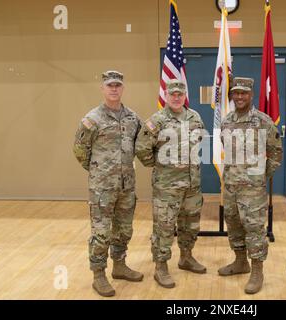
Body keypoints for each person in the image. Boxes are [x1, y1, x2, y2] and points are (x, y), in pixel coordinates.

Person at [73, 70, 143, 297]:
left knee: (123, 229)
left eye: (118, 85)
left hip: (127, 186)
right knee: (101, 232)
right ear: (102, 88)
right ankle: (99, 274)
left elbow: (140, 145)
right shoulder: (92, 119)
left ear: (123, 89)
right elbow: (80, 151)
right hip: (102, 188)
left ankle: (120, 265)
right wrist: (98, 172)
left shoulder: (133, 118)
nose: (114, 89)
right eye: (110, 85)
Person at [135, 79, 206, 289]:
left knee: (190, 224)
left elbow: (199, 142)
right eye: (172, 94)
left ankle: (186, 257)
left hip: (192, 185)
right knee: (164, 227)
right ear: (166, 95)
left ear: (185, 96)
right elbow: (142, 148)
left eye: (180, 94)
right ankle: (161, 266)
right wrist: (160, 166)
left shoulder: (195, 117)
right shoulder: (157, 121)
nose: (176, 97)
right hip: (167, 187)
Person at [218, 77, 282, 294]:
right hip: (231, 187)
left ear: (251, 95)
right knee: (234, 225)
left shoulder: (263, 121)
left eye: (243, 93)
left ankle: (257, 271)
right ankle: (240, 262)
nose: (239, 97)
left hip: (253, 189)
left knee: (254, 229)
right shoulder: (226, 121)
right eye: (236, 93)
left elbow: (276, 152)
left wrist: (262, 176)